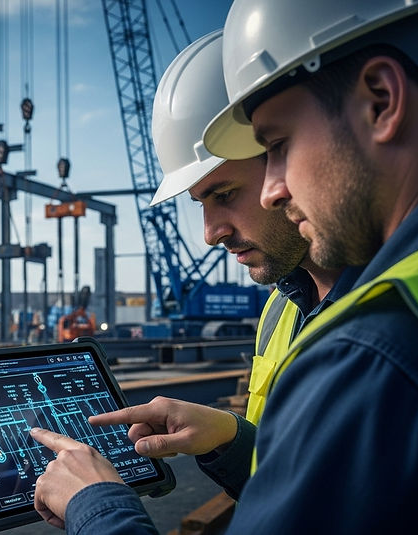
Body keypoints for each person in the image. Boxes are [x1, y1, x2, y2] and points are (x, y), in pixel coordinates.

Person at [35, 0, 418, 533]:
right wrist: (234, 441)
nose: (275, 189)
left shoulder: (376, 352)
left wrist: (97, 506)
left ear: (381, 100)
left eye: (277, 145)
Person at [27, 29, 349, 531]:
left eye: (224, 194)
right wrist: (230, 438)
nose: (209, 234)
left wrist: (98, 509)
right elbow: (312, 494)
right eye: (199, 204)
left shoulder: (393, 326)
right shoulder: (283, 308)